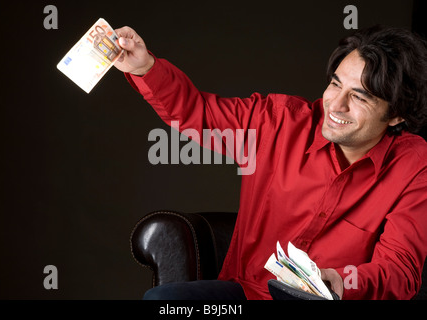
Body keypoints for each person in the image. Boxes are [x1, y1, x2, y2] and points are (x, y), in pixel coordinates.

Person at [114, 25, 427, 300]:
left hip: (332, 300)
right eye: (335, 84)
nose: (337, 104)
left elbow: (400, 270)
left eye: (359, 97)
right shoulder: (276, 122)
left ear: (397, 114)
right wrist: (146, 68)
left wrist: (342, 282)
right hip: (246, 295)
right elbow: (198, 112)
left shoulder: (413, 166)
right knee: (166, 302)